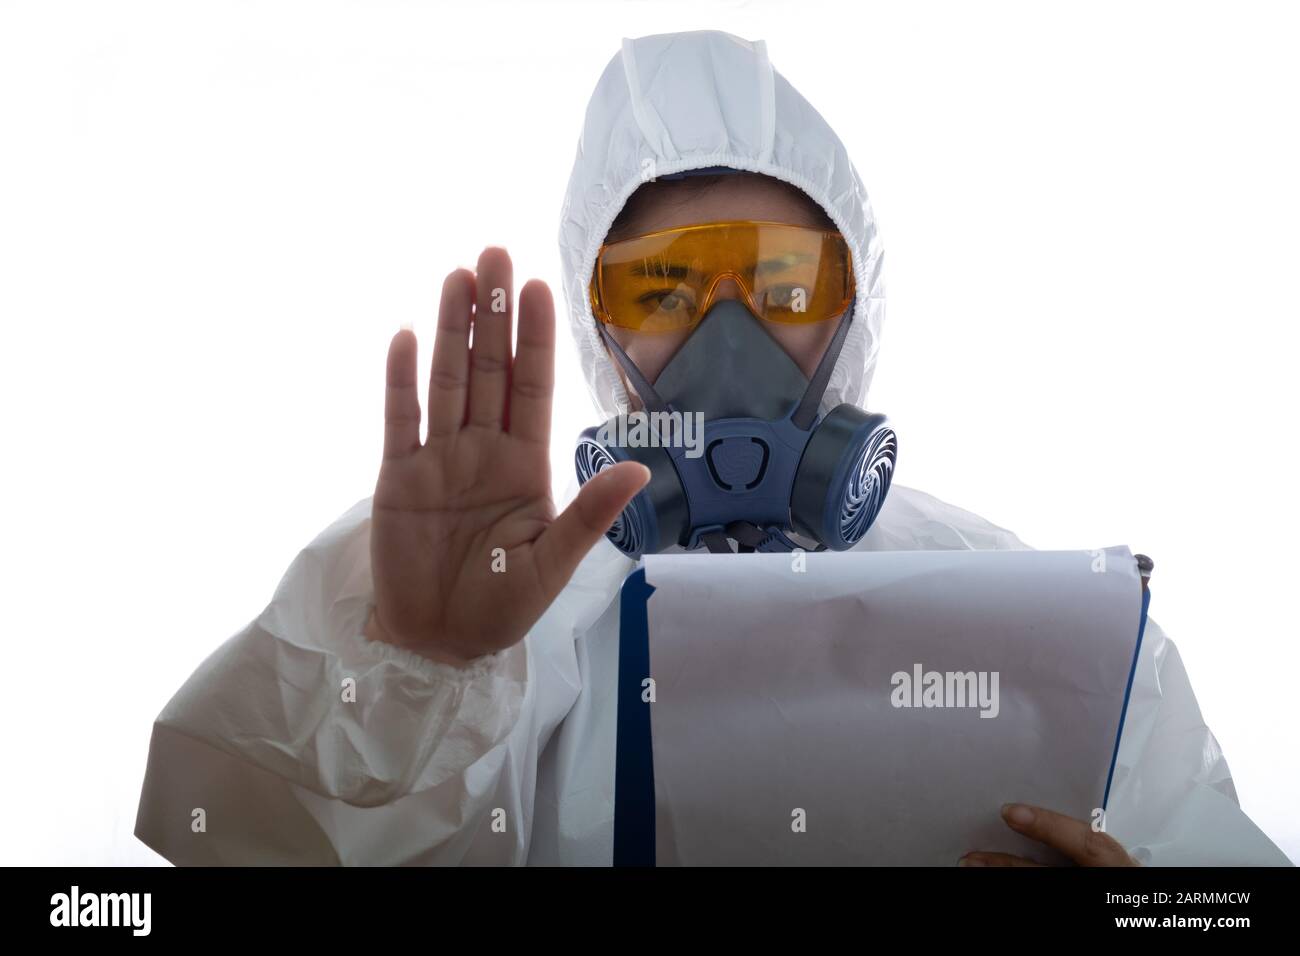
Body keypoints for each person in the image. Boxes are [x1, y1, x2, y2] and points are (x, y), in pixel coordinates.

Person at [134, 30, 1288, 866]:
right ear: (599, 329)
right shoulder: (480, 610)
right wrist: (415, 674)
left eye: (785, 282)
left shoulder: (1053, 630)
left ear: (855, 310)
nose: (727, 330)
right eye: (667, 284)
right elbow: (255, 845)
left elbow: (1213, 872)